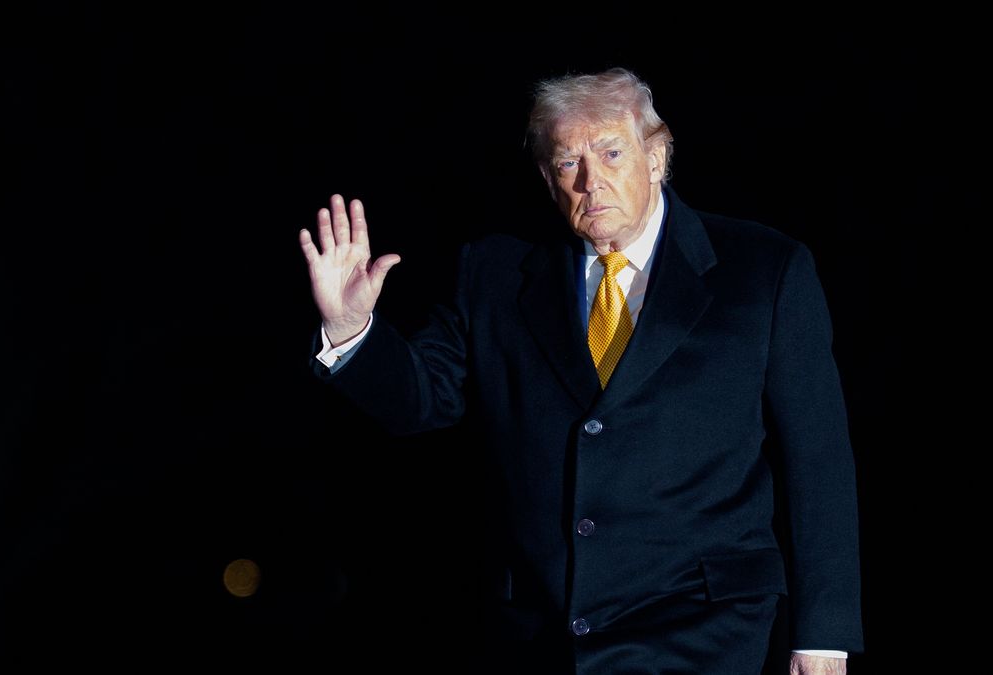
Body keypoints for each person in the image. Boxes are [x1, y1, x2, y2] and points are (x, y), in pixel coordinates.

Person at [298, 68, 863, 674]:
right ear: (547, 178)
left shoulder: (764, 271)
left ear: (656, 156)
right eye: (568, 164)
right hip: (546, 636)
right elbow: (421, 401)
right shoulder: (495, 273)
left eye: (611, 152)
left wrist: (822, 637)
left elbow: (818, 460)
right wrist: (353, 331)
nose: (591, 182)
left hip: (708, 629)